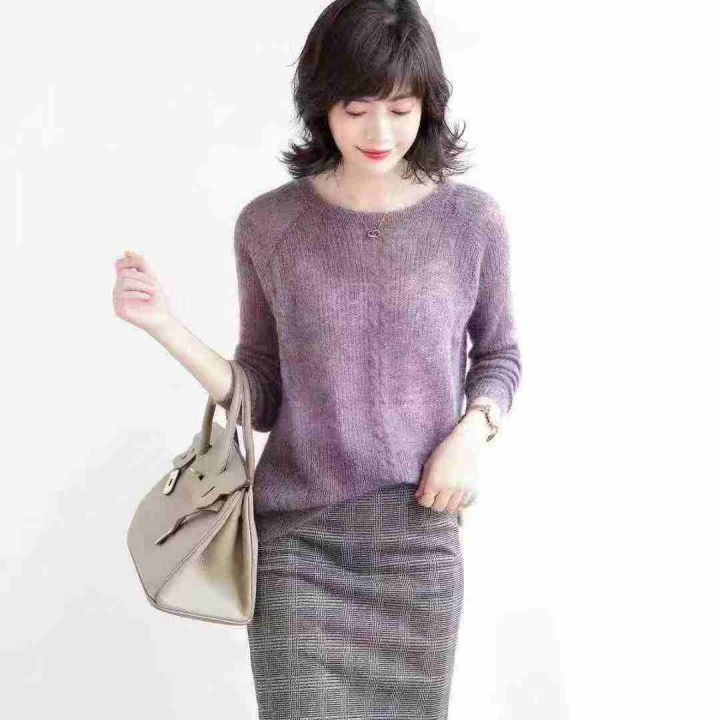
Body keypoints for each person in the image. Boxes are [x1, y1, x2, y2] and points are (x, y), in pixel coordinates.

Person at [112, 1, 522, 717]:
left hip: (418, 540)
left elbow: (499, 354)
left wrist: (471, 433)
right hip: (299, 544)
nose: (379, 132)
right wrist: (166, 327)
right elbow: (262, 393)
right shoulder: (270, 225)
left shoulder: (471, 222)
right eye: (356, 109)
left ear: (427, 106)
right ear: (322, 105)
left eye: (400, 109)